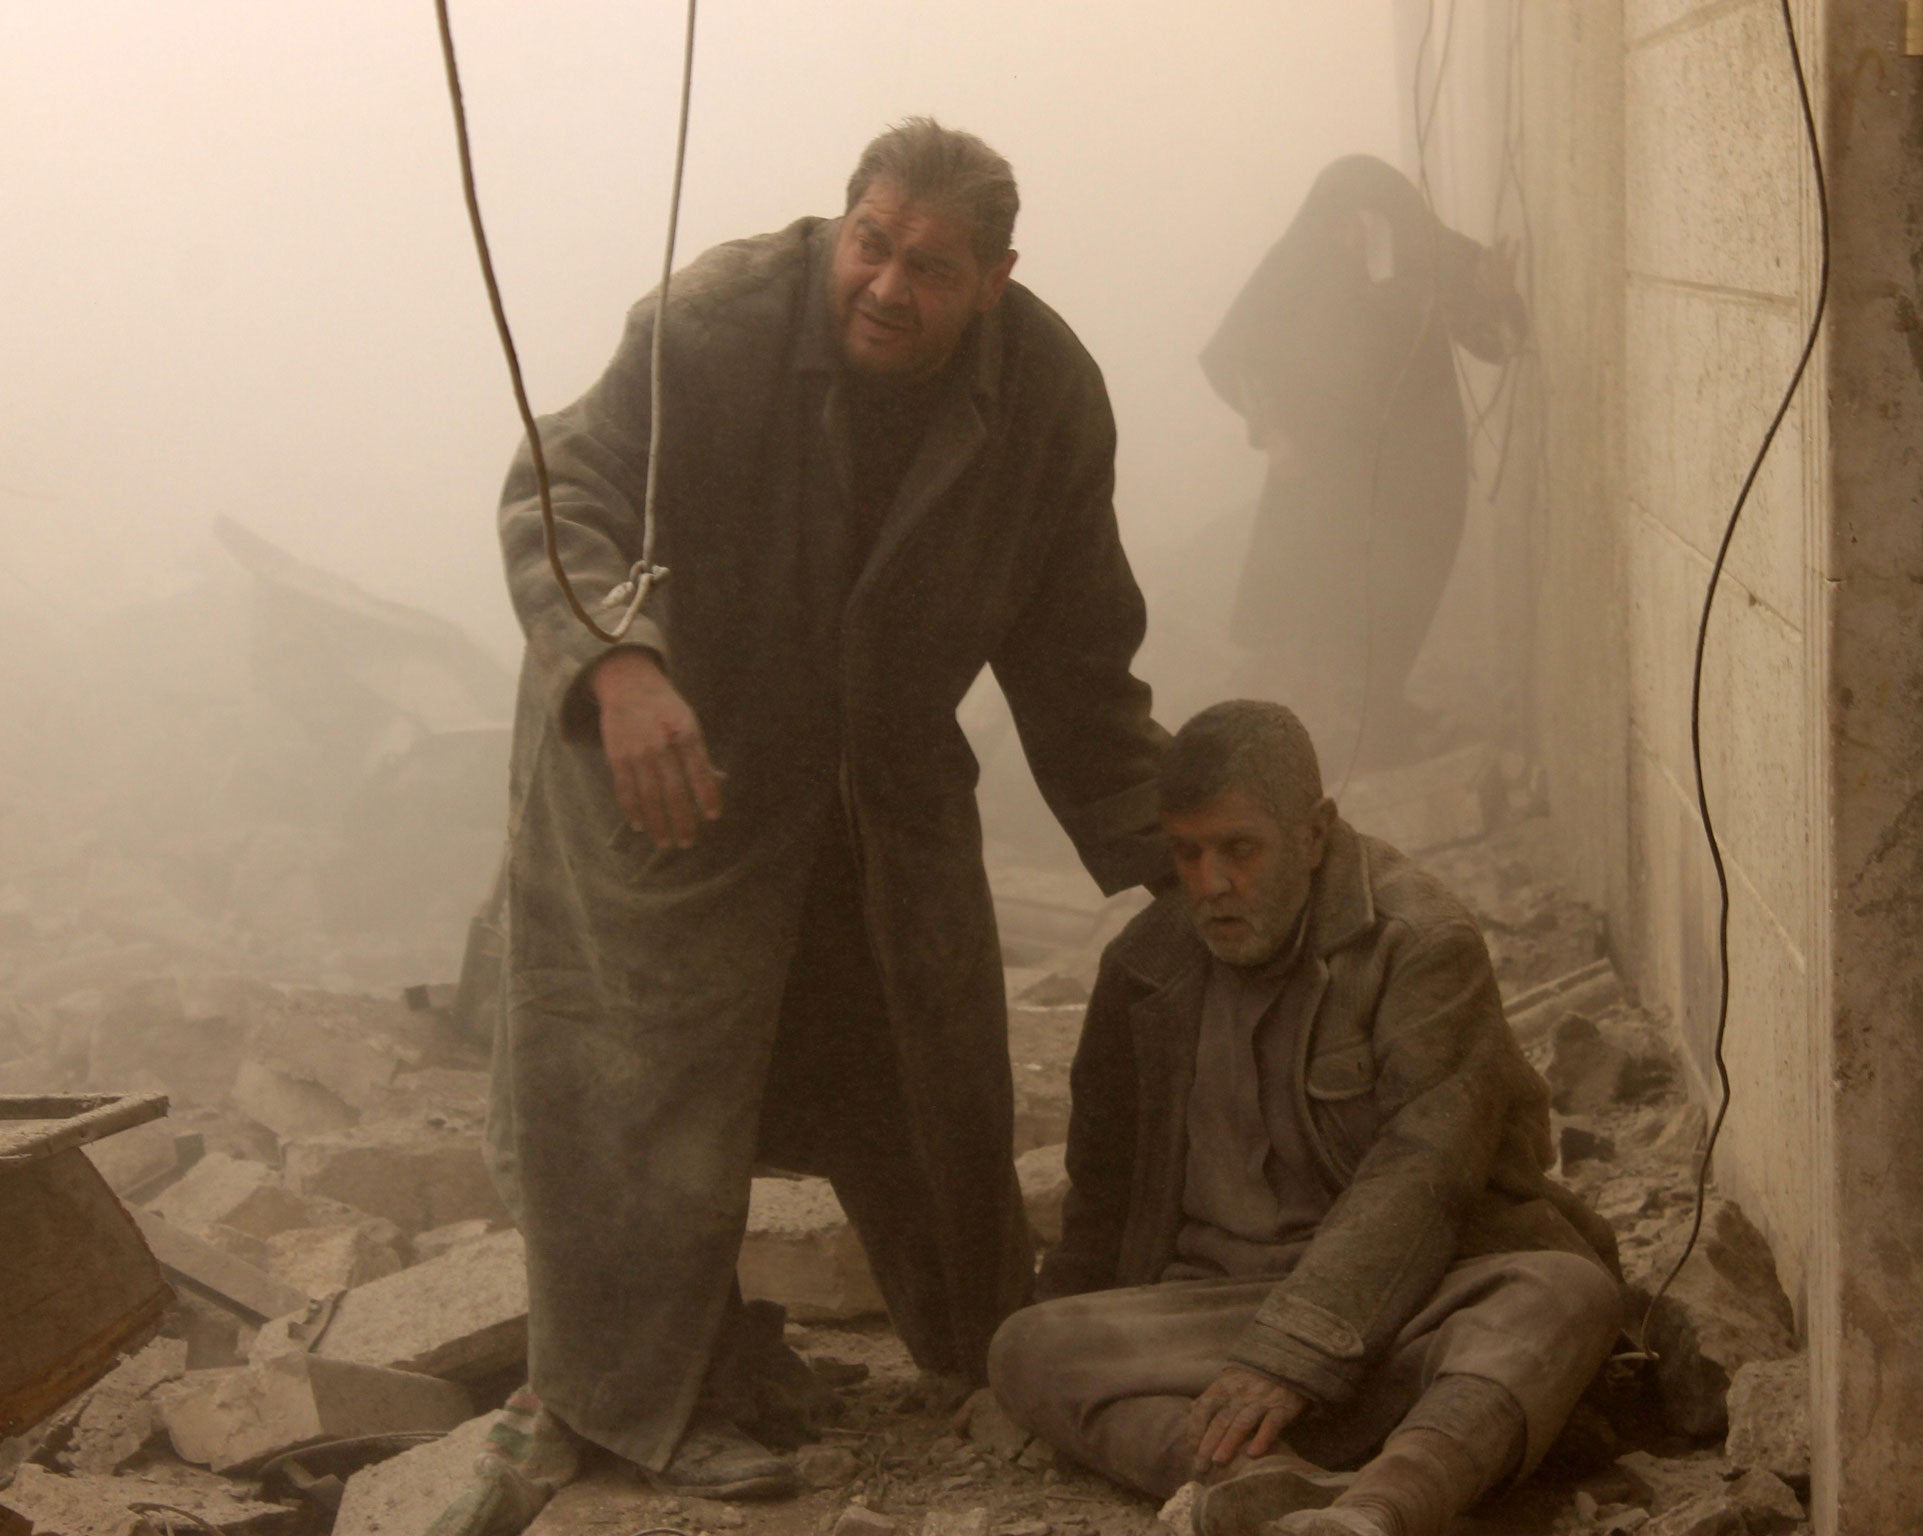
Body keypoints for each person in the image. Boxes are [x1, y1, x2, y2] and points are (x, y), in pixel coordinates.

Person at [464, 119, 1170, 1526]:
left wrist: (1182, 849)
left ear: (996, 282)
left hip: (875, 786)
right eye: (872, 243)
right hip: (666, 766)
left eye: (934, 264)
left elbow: (1078, 653)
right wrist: (619, 660)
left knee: (928, 1064)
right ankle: (624, 1405)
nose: (890, 286)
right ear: (838, 222)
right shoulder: (717, 323)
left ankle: (982, 1353)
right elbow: (560, 487)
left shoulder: (1044, 395)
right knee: (638, 1090)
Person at [988, 701, 1621, 1536]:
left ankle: (1383, 1506)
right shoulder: (1145, 966)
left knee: (1562, 1291)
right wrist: (1023, 1374)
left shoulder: (1419, 943)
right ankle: (1271, 1491)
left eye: (1239, 850)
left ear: (1314, 833)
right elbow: (1101, 1192)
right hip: (1214, 1315)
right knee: (1029, 1347)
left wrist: (1289, 1357)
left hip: (1408, 1298)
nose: (1210, 884)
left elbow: (1424, 1178)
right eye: (1188, 853)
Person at [1201, 157, 1524, 771]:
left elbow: (1497, 341)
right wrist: (1273, 431)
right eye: (1339, 221)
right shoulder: (1298, 263)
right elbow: (1233, 351)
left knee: (1408, 588)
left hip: (1423, 469)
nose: (1351, 234)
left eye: (1365, 220)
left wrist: (1498, 298)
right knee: (1341, 594)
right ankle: (1358, 728)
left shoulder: (1428, 255)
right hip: (1331, 471)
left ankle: (1383, 715)